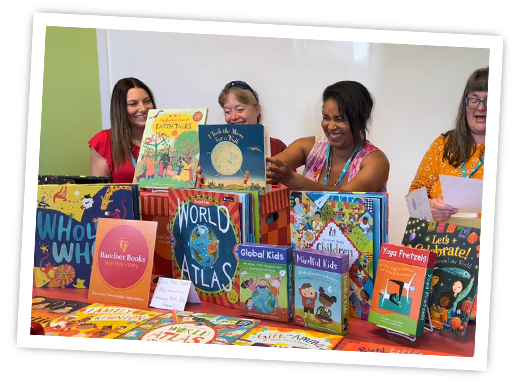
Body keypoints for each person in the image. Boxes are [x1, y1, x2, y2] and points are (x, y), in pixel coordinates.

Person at [266, 80, 389, 192]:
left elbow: (345, 199)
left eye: (339, 119)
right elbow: (263, 170)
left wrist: (292, 180)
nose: (330, 126)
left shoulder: (376, 162)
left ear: (360, 121)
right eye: (326, 118)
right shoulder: (307, 147)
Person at [408, 67, 488, 222]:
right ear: (465, 104)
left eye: (489, 99)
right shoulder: (443, 144)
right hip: (441, 242)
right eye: (474, 99)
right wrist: (428, 207)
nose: (480, 107)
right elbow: (413, 199)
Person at [89, 77, 157, 183]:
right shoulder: (105, 140)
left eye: (147, 101)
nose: (143, 108)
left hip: (164, 200)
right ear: (120, 108)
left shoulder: (167, 138)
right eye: (133, 104)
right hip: (123, 200)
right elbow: (100, 192)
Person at [218, 80, 287, 156]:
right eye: (227, 111)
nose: (233, 117)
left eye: (240, 110)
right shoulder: (219, 150)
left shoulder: (277, 148)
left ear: (257, 110)